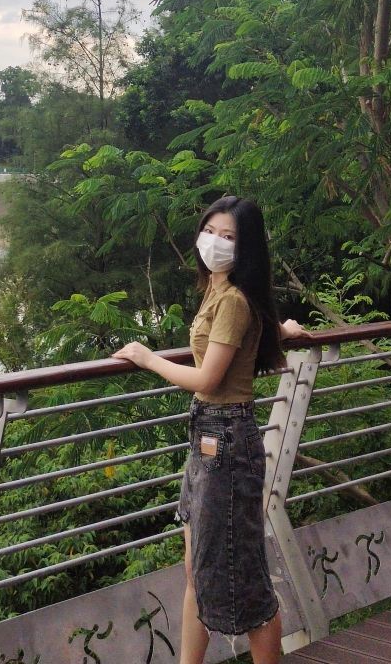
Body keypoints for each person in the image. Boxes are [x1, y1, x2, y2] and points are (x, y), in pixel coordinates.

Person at [113, 195, 310, 664]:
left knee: (246, 583)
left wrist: (147, 358)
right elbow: (239, 339)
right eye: (210, 231)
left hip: (226, 442)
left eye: (229, 237)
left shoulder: (234, 300)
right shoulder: (223, 292)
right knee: (196, 572)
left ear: (246, 248)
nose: (215, 242)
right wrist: (282, 330)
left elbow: (207, 378)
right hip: (208, 439)